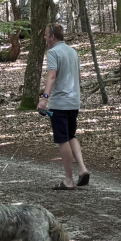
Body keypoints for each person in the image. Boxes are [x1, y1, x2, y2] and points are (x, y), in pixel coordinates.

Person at [36, 22, 89, 189]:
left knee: (62, 139)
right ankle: (82, 169)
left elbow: (51, 77)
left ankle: (68, 180)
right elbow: (79, 78)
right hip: (74, 102)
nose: (45, 38)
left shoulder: (53, 53)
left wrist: (44, 98)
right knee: (71, 135)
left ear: (52, 36)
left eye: (46, 35)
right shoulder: (73, 52)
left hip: (60, 103)